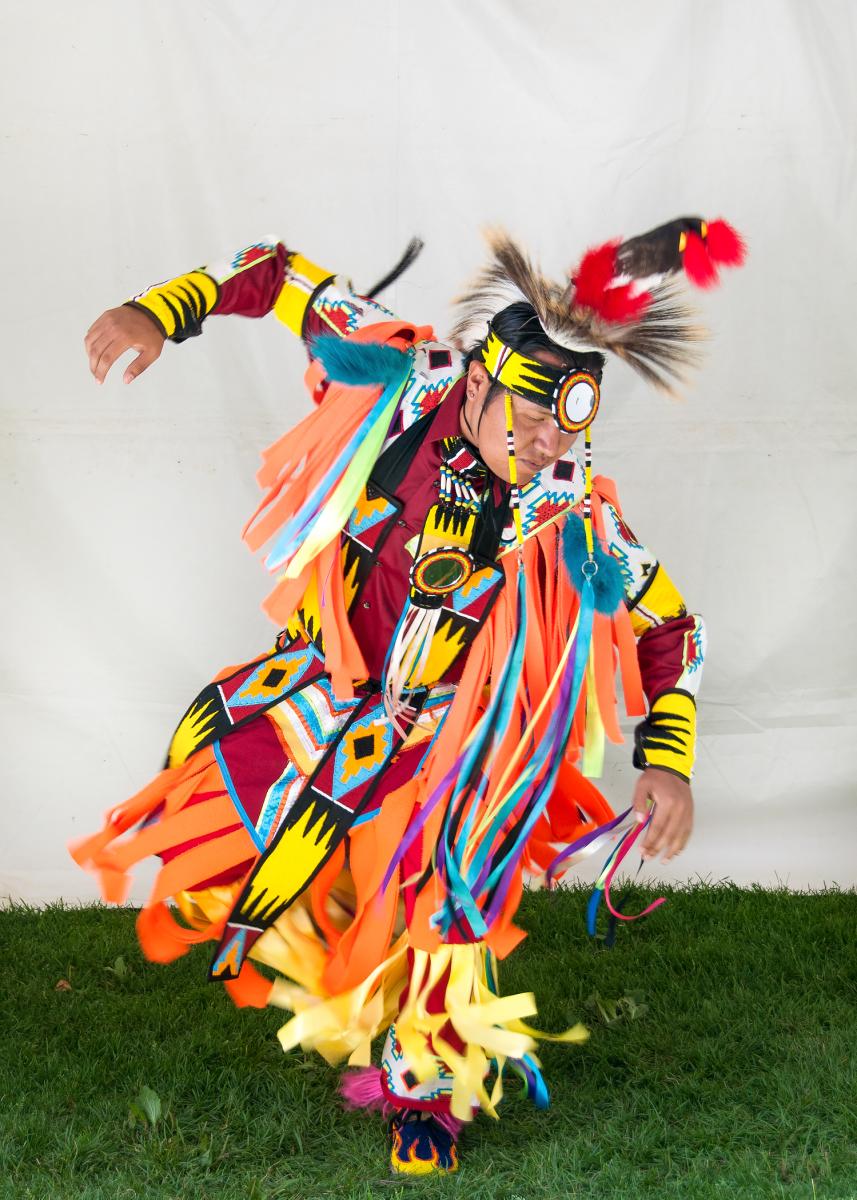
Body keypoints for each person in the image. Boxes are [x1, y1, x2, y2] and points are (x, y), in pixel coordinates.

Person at [74, 216, 744, 1175]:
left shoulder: (570, 512)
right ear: (476, 383)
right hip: (325, 679)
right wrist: (154, 313)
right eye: (530, 412)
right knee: (211, 792)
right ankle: (329, 941)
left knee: (452, 893)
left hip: (454, 736)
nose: (546, 438)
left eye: (569, 421)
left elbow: (672, 629)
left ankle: (424, 1075)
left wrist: (667, 764)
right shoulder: (402, 378)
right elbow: (275, 271)